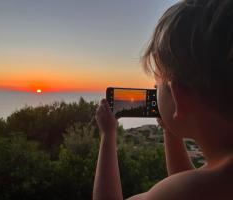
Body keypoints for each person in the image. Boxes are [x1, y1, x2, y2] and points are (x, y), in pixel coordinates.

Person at [93, 0, 233, 199]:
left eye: (158, 82)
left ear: (178, 97)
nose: (155, 89)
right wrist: (170, 126)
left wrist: (108, 135)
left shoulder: (190, 190)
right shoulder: (215, 179)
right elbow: (187, 178)